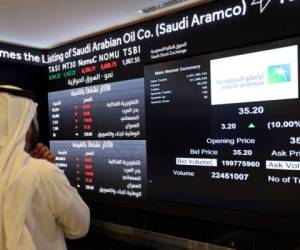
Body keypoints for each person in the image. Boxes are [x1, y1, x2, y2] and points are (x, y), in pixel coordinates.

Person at [0, 85, 90, 250]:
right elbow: (80, 226)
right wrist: (46, 172)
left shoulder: (40, 170)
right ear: (25, 127)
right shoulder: (43, 173)